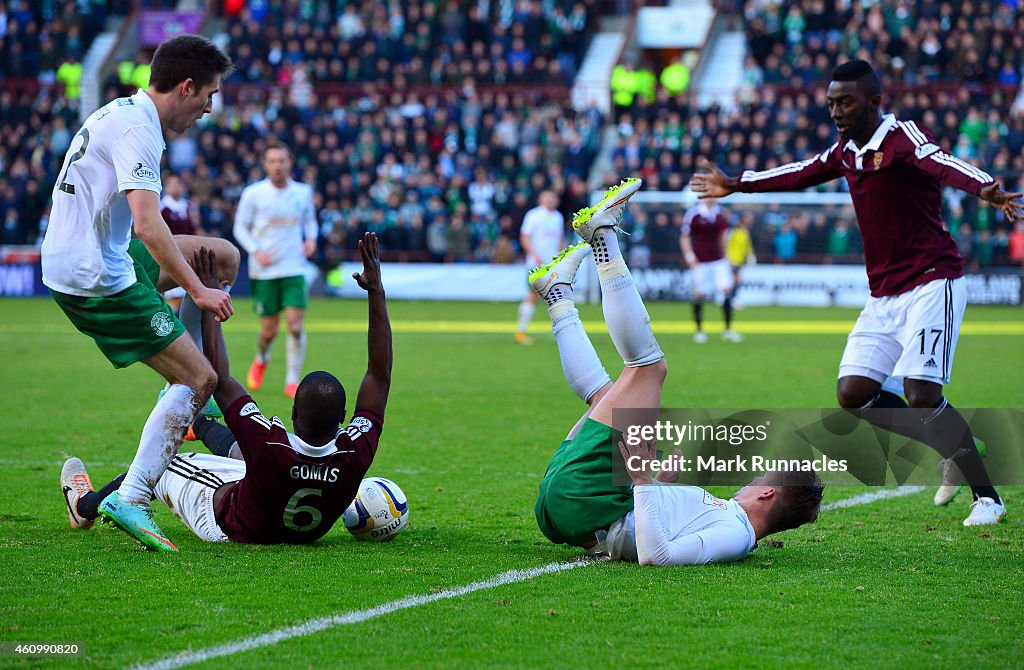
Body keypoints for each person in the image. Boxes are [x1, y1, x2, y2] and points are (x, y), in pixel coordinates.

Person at [690, 60, 1024, 526]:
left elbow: (942, 162)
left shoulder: (901, 138)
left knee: (922, 393)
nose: (835, 111)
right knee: (853, 393)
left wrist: (985, 187)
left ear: (874, 101)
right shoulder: (846, 151)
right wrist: (737, 183)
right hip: (884, 294)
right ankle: (948, 445)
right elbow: (799, 172)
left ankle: (987, 498)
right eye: (830, 103)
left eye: (844, 102)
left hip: (933, 279)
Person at [531, 178, 823, 565]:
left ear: (768, 494)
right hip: (576, 504)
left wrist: (641, 483)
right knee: (608, 397)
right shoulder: (729, 519)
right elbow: (654, 528)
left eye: (762, 476)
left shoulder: (736, 535)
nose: (753, 477)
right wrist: (657, 484)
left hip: (587, 502)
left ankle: (602, 237)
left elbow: (657, 555)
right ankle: (558, 297)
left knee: (650, 368)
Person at [60, 235, 391, 548]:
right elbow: (380, 375)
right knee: (249, 454)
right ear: (345, 420)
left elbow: (221, 377)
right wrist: (376, 292)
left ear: (292, 415)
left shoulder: (272, 443)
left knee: (162, 462)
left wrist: (208, 300)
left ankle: (84, 507)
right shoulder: (354, 451)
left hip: (225, 524)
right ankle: (199, 425)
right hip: (293, 523)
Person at [42, 35, 237, 551]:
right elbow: (151, 226)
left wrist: (202, 281)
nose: (209, 109)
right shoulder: (137, 130)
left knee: (223, 257)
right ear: (187, 86)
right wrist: (196, 291)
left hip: (105, 258)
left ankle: (184, 405)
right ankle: (133, 494)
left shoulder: (128, 113)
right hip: (95, 279)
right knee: (201, 376)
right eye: (209, 95)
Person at [234, 142, 319, 399]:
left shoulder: (302, 192)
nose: (277, 165)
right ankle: (262, 357)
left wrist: (311, 239)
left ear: (289, 162)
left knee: (295, 326)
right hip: (265, 271)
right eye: (272, 161)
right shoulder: (254, 194)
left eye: (282, 160)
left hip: (294, 268)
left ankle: (292, 380)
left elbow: (310, 220)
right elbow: (240, 228)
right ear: (265, 164)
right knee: (268, 331)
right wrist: (255, 250)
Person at [680, 198, 741, 343]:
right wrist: (689, 256)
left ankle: (727, 330)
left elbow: (722, 237)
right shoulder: (693, 214)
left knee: (727, 291)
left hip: (718, 260)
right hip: (701, 262)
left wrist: (727, 258)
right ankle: (699, 331)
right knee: (699, 294)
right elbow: (685, 237)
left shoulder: (721, 213)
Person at [516, 190, 565, 345]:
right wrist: (534, 255)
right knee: (532, 295)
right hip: (535, 264)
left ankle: (561, 332)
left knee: (557, 297)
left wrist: (562, 257)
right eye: (547, 197)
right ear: (541, 199)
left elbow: (559, 240)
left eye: (553, 197)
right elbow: (524, 237)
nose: (550, 199)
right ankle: (521, 331)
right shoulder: (533, 215)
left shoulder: (558, 217)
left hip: (552, 264)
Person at [160, 173, 199, 312]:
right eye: (172, 184)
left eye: (178, 184)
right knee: (173, 294)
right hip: (169, 253)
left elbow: (194, 229)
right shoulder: (162, 207)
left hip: (186, 254)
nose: (175, 187)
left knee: (185, 296)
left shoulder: (188, 206)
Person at [726, 211, 756, 309]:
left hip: (740, 261)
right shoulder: (732, 232)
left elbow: (748, 246)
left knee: (736, 281)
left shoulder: (745, 232)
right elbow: (726, 246)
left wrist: (751, 255)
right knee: (736, 280)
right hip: (733, 260)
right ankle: (733, 299)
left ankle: (731, 299)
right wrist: (728, 259)